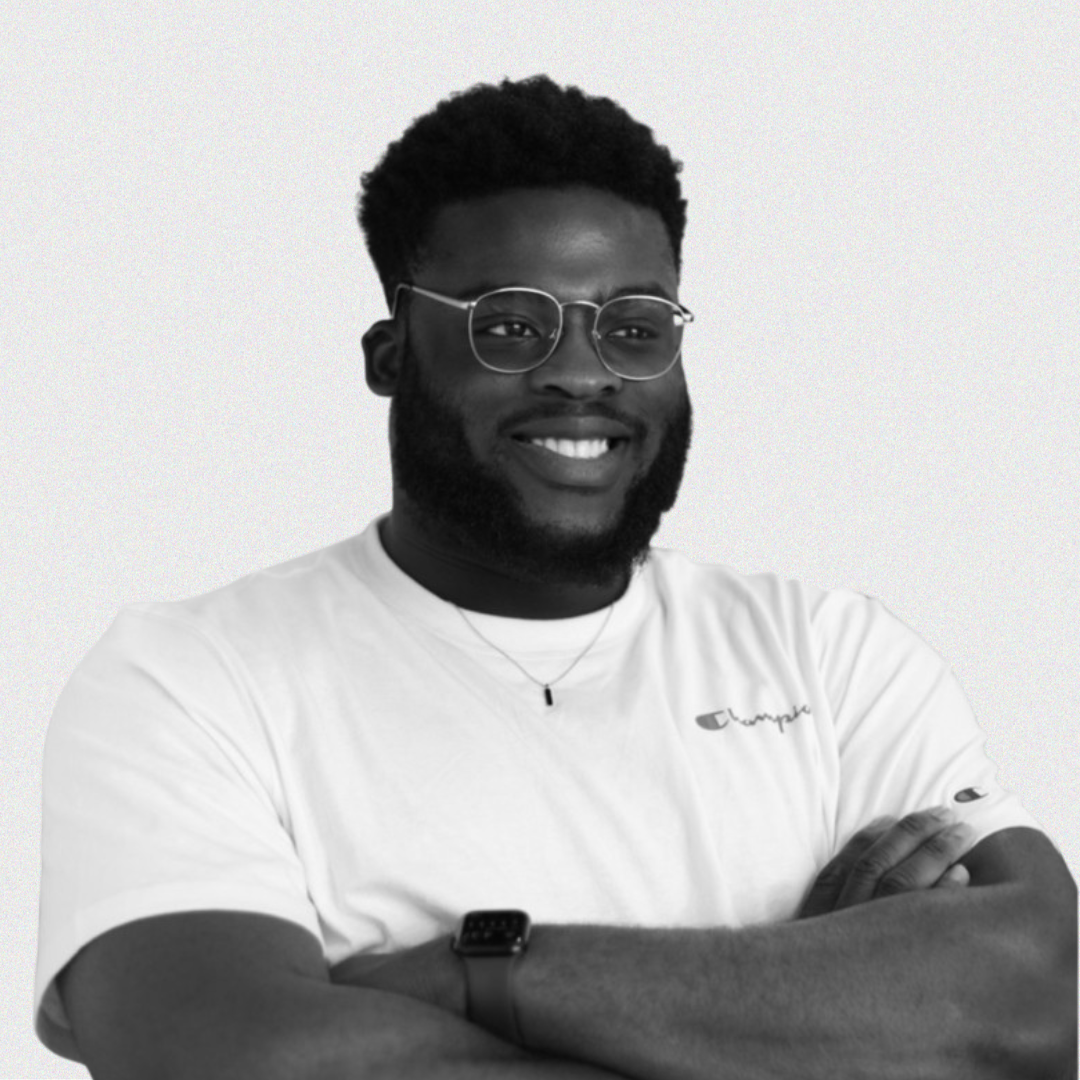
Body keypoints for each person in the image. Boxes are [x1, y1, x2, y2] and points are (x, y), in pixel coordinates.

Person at [37, 76, 1075, 1079]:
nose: (582, 372)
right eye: (510, 326)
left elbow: (1047, 1003)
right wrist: (821, 1027)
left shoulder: (834, 657)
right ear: (390, 354)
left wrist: (477, 970)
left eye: (635, 327)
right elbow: (239, 1058)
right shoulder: (189, 679)